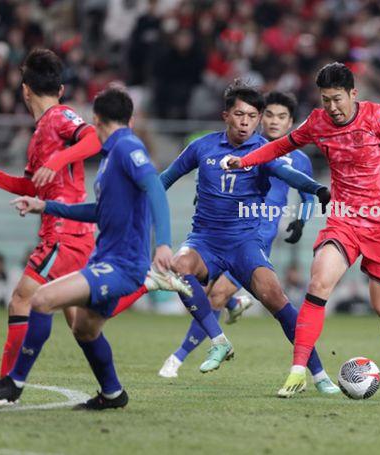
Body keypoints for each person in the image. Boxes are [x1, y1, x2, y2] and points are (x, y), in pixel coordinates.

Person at [224, 62, 380, 397]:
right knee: (319, 281)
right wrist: (244, 160)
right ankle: (297, 370)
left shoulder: (377, 118)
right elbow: (280, 146)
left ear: (353, 94)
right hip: (343, 218)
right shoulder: (317, 123)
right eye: (325, 100)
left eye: (338, 99)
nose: (332, 107)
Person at [119, 82, 339, 393]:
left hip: (245, 244)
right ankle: (218, 341)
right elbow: (165, 178)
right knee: (179, 268)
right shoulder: (202, 147)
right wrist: (139, 202)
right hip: (205, 240)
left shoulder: (264, 152)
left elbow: (288, 174)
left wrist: (317, 189)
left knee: (278, 302)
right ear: (226, 116)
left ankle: (318, 374)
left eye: (252, 115)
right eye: (239, 114)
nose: (245, 121)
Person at [0, 87, 175, 409]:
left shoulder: (126, 148)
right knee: (84, 329)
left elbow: (156, 188)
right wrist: (44, 206)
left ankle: (14, 383)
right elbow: (96, 212)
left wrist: (163, 243)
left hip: (123, 263)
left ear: (96, 119)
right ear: (130, 119)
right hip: (106, 258)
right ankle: (113, 394)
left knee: (42, 299)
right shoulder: (110, 159)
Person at [0, 49, 102, 378]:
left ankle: (5, 385)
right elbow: (29, 187)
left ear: (24, 89)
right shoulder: (40, 134)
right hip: (72, 233)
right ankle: (112, 389)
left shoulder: (59, 117)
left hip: (63, 233)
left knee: (21, 299)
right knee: (81, 324)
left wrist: (58, 160)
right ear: (60, 88)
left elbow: (94, 138)